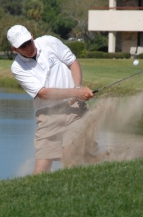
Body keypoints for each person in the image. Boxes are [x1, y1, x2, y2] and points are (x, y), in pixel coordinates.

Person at [7, 24, 94, 174]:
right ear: (15, 49)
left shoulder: (49, 42)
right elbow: (43, 93)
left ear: (32, 36)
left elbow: (72, 62)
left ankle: (71, 193)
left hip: (75, 110)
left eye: (28, 42)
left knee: (69, 156)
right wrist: (76, 92)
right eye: (22, 46)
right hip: (48, 116)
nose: (28, 47)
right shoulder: (18, 67)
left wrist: (78, 88)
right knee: (41, 169)